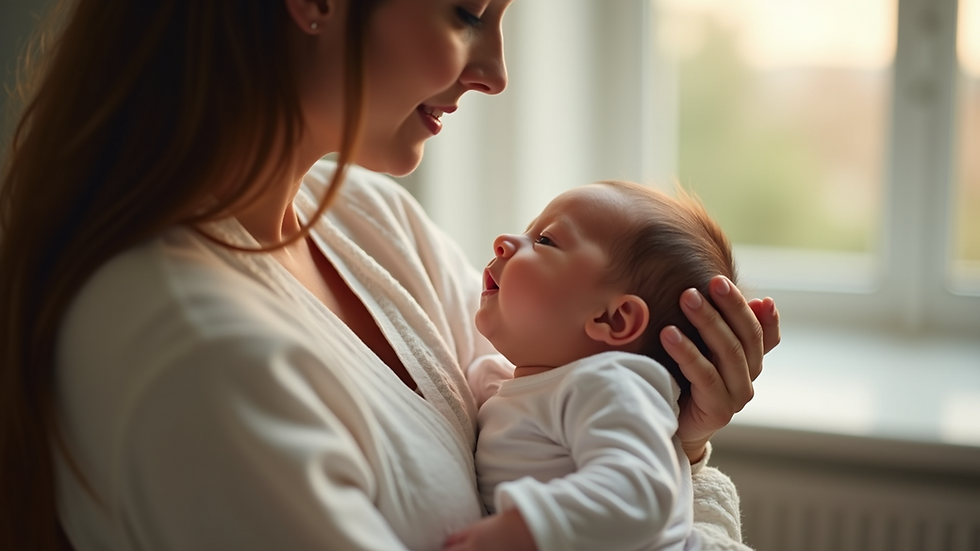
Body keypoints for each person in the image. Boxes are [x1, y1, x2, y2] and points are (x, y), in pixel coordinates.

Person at [0, 1, 780, 550]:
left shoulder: (370, 218)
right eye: (467, 13)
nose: (497, 73)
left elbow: (571, 415)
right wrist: (695, 503)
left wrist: (681, 437)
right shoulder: (194, 352)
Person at [444, 180, 741, 551]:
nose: (504, 240)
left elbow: (640, 490)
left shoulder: (610, 385)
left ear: (613, 320)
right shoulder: (529, 385)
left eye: (545, 241)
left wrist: (529, 529)